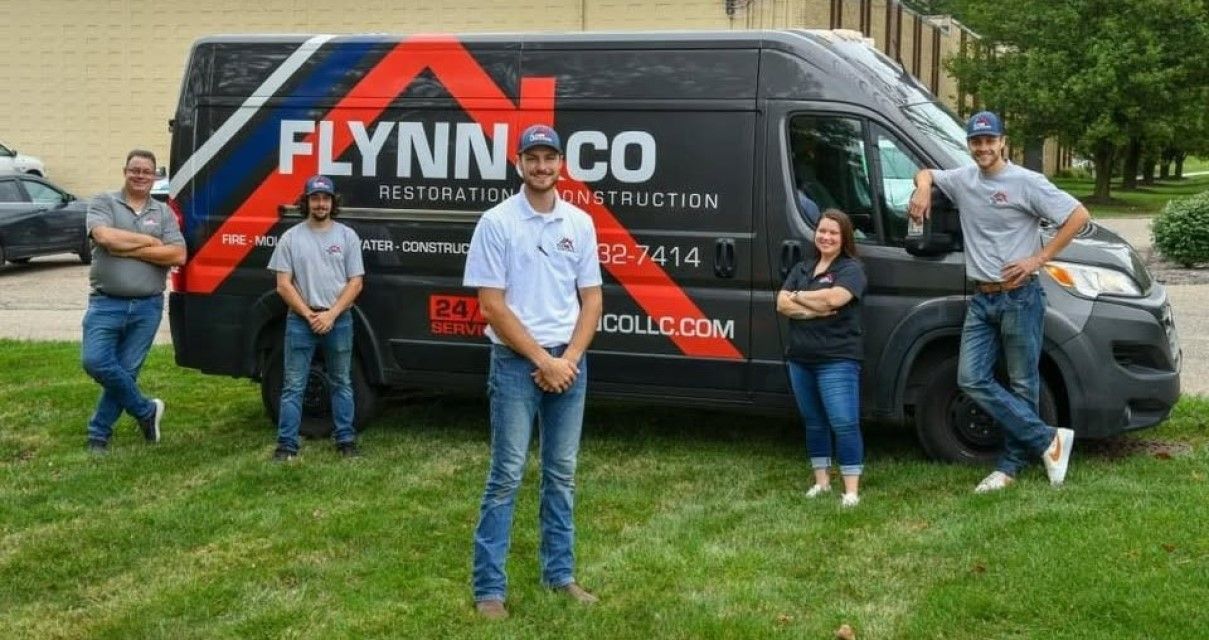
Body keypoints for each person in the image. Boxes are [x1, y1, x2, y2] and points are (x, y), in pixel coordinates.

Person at [463, 124, 604, 620]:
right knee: (505, 476)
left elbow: (592, 299)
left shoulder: (579, 223)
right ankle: (489, 589)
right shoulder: (497, 222)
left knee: (561, 475)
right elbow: (491, 306)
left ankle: (560, 575)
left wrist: (568, 359)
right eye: (533, 158)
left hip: (570, 363)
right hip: (515, 365)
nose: (542, 167)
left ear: (562, 163)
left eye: (550, 158)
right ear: (518, 162)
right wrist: (544, 361)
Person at [908, 111, 1090, 493]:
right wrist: (923, 188)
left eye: (990, 141)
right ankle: (1047, 440)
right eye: (976, 141)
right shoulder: (962, 179)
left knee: (1024, 384)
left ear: (1003, 142)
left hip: (1020, 297)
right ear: (969, 144)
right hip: (982, 299)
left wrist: (1038, 259)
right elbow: (926, 171)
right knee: (970, 377)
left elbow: (1078, 215)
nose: (983, 148)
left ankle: (1008, 467)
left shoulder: (1027, 182)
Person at [82, 149, 186, 453]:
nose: (140, 176)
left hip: (147, 306)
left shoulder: (163, 213)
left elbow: (178, 254)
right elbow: (104, 238)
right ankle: (145, 410)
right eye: (135, 170)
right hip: (106, 303)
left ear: (155, 177)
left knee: (126, 372)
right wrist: (151, 242)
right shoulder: (104, 202)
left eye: (147, 172)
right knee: (95, 361)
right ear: (125, 171)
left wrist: (127, 248)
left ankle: (98, 433)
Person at [266, 175, 365, 461]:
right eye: (315, 198)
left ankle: (346, 441)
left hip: (339, 319)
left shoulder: (346, 236)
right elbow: (283, 284)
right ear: (306, 201)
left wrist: (331, 314)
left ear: (333, 202)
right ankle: (286, 445)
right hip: (301, 320)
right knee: (293, 385)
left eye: (325, 198)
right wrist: (309, 314)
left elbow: (356, 282)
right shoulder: (291, 238)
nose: (320, 203)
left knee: (341, 382)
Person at [777, 209, 868, 507]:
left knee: (843, 421)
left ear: (844, 238)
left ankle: (851, 490)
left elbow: (835, 299)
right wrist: (810, 309)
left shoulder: (851, 269)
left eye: (833, 233)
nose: (826, 237)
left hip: (837, 359)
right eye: (822, 231)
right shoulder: (803, 267)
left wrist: (799, 297)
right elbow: (780, 303)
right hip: (800, 358)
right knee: (814, 421)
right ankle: (822, 482)